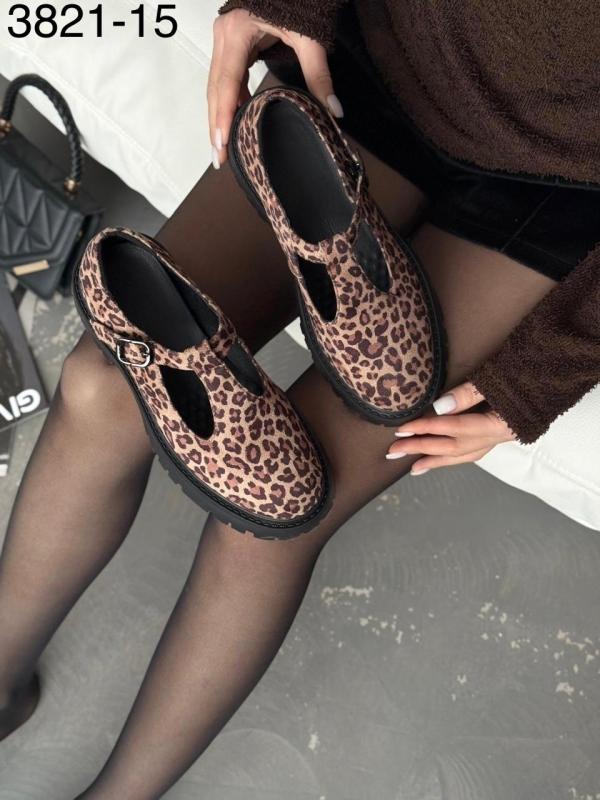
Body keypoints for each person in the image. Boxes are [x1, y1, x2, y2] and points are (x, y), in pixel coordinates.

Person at [1, 2, 598, 797]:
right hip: (387, 64)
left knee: (284, 510)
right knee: (105, 387)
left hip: (565, 191)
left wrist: (543, 375)